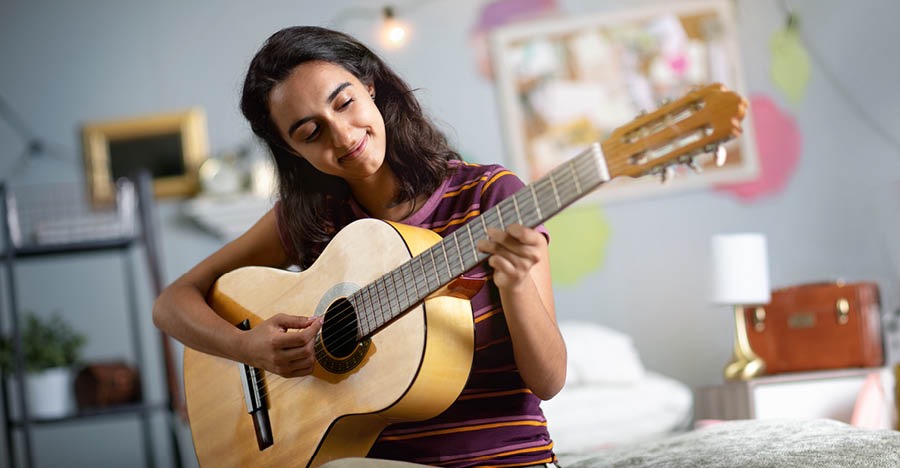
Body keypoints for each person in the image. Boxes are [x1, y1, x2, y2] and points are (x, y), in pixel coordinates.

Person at [152, 25, 566, 467]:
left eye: (344, 103)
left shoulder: (489, 196)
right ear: (291, 149)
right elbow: (171, 304)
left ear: (370, 86)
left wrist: (518, 285)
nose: (343, 135)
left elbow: (549, 381)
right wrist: (248, 348)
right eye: (311, 132)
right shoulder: (309, 221)